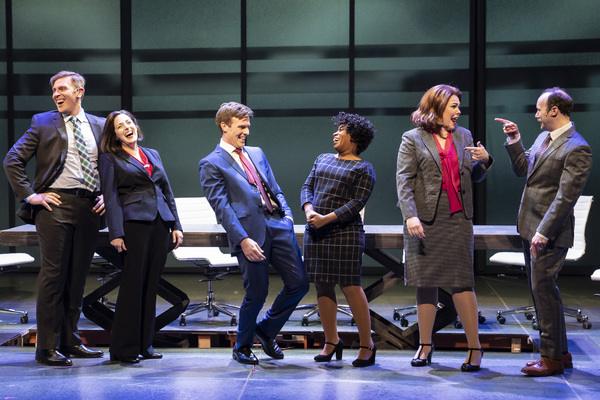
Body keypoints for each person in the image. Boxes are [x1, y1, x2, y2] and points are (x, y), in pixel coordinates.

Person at [3, 71, 106, 366]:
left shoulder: (99, 125)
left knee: (76, 277)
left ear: (79, 91)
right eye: (53, 90)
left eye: (62, 89)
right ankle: (46, 346)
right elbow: (12, 159)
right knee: (54, 275)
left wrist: (106, 196)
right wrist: (30, 195)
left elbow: (111, 167)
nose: (56, 94)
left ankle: (70, 340)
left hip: (89, 207)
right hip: (55, 206)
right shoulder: (43, 122)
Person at [199, 102, 309, 366]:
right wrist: (243, 239)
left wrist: (288, 215)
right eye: (241, 126)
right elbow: (222, 208)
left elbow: (275, 187)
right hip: (249, 233)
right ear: (224, 126)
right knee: (257, 293)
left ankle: (267, 329)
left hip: (278, 225)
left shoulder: (256, 153)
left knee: (300, 283)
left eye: (248, 126)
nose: (246, 131)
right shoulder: (211, 163)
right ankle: (242, 346)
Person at [495, 87, 592, 377]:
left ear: (554, 111)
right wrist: (514, 140)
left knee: (544, 292)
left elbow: (565, 197)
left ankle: (550, 358)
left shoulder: (577, 148)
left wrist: (543, 232)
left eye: (540, 109)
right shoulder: (543, 138)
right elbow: (524, 169)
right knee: (544, 292)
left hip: (548, 233)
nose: (536, 114)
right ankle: (561, 353)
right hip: (530, 225)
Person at [396, 84, 493, 371]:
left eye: (458, 107)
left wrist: (485, 163)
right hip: (424, 219)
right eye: (453, 106)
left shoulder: (464, 136)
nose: (458, 112)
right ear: (437, 107)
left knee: (462, 281)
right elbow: (404, 180)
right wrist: (410, 215)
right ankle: (425, 344)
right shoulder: (412, 138)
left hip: (458, 218)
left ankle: (474, 348)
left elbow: (471, 178)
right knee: (425, 281)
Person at [99, 110, 183, 364]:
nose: (127, 127)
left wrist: (176, 224)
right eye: (120, 125)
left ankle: (145, 344)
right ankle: (123, 349)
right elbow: (110, 196)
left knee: (150, 285)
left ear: (136, 126)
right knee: (133, 286)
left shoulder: (152, 154)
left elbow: (166, 190)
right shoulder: (110, 158)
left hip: (160, 223)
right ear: (114, 134)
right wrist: (116, 233)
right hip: (134, 225)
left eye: (129, 122)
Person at [301, 112, 376, 367]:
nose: (336, 133)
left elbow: (357, 203)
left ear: (354, 137)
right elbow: (307, 186)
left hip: (345, 234)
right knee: (322, 284)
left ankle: (367, 344)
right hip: (316, 231)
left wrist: (327, 218)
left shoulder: (363, 168)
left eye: (342, 130)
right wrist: (310, 211)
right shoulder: (322, 158)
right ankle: (331, 341)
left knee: (351, 286)